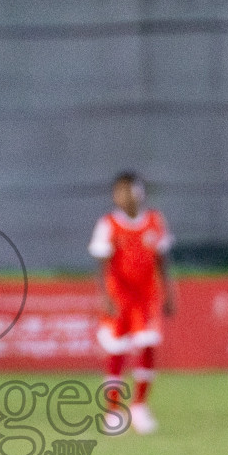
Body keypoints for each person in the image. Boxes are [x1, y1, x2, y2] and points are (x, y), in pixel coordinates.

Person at [89, 171, 175, 434]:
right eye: (119, 191)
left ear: (140, 192)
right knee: (117, 352)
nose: (124, 196)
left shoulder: (154, 222)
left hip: (147, 298)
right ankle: (113, 411)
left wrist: (169, 293)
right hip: (120, 299)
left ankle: (139, 406)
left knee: (147, 347)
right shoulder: (109, 224)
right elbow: (102, 265)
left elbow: (162, 260)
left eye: (128, 190)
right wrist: (105, 298)